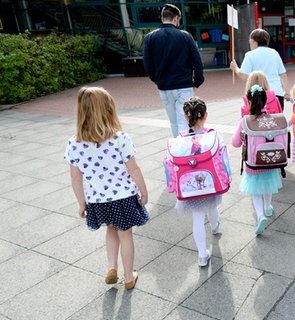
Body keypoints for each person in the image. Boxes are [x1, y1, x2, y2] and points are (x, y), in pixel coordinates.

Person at [64, 87, 149, 289]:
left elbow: (75, 178)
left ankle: (112, 267)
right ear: (109, 110)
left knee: (111, 228)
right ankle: (129, 276)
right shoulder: (120, 139)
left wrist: (81, 203)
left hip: (97, 199)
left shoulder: (74, 144)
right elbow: (134, 169)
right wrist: (144, 192)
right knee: (125, 233)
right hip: (123, 197)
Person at [143, 3, 204, 137]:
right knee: (184, 120)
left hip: (164, 87)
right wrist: (197, 81)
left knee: (173, 122)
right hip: (184, 85)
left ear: (162, 18)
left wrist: (158, 80)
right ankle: (185, 151)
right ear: (176, 19)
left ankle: (178, 150)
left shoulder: (150, 38)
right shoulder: (185, 36)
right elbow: (197, 62)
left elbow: (148, 65)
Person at [175, 97, 223, 267]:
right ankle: (216, 226)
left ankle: (202, 255)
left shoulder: (179, 140)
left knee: (197, 218)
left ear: (185, 117)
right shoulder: (212, 136)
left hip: (189, 186)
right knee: (212, 205)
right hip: (209, 183)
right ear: (206, 115)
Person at [232, 85, 283, 235]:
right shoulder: (274, 120)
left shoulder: (245, 121)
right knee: (268, 185)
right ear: (265, 102)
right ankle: (268, 207)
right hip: (271, 160)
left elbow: (235, 143)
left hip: (253, 163)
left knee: (255, 191)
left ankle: (260, 214)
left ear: (249, 103)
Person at [230, 28, 290, 110]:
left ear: (253, 41)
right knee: (276, 121)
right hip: (276, 93)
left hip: (257, 95)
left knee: (257, 121)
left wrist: (235, 68)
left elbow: (244, 76)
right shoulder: (274, 53)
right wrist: (287, 92)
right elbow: (283, 75)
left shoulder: (250, 55)